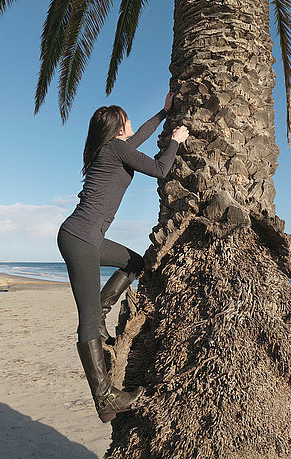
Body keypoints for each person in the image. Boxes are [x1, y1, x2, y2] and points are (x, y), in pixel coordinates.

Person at [57, 91, 189, 423]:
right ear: (118, 127)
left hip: (84, 237)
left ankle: (102, 312)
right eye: (127, 118)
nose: (131, 122)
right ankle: (104, 399)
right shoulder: (116, 149)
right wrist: (175, 140)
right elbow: (160, 169)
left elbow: (137, 139)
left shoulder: (113, 148)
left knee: (134, 263)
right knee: (85, 323)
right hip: (81, 240)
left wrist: (163, 112)